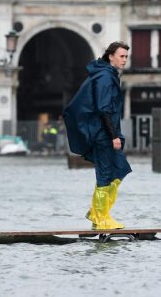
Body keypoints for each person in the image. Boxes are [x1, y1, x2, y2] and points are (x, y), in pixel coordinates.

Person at [64, 41, 132, 230]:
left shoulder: (108, 75)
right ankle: (101, 218)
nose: (125, 60)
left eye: (126, 57)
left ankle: (96, 211)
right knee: (106, 174)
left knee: (119, 169)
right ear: (110, 56)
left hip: (106, 132)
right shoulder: (104, 77)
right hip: (103, 134)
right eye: (121, 56)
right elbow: (103, 109)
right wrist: (113, 136)